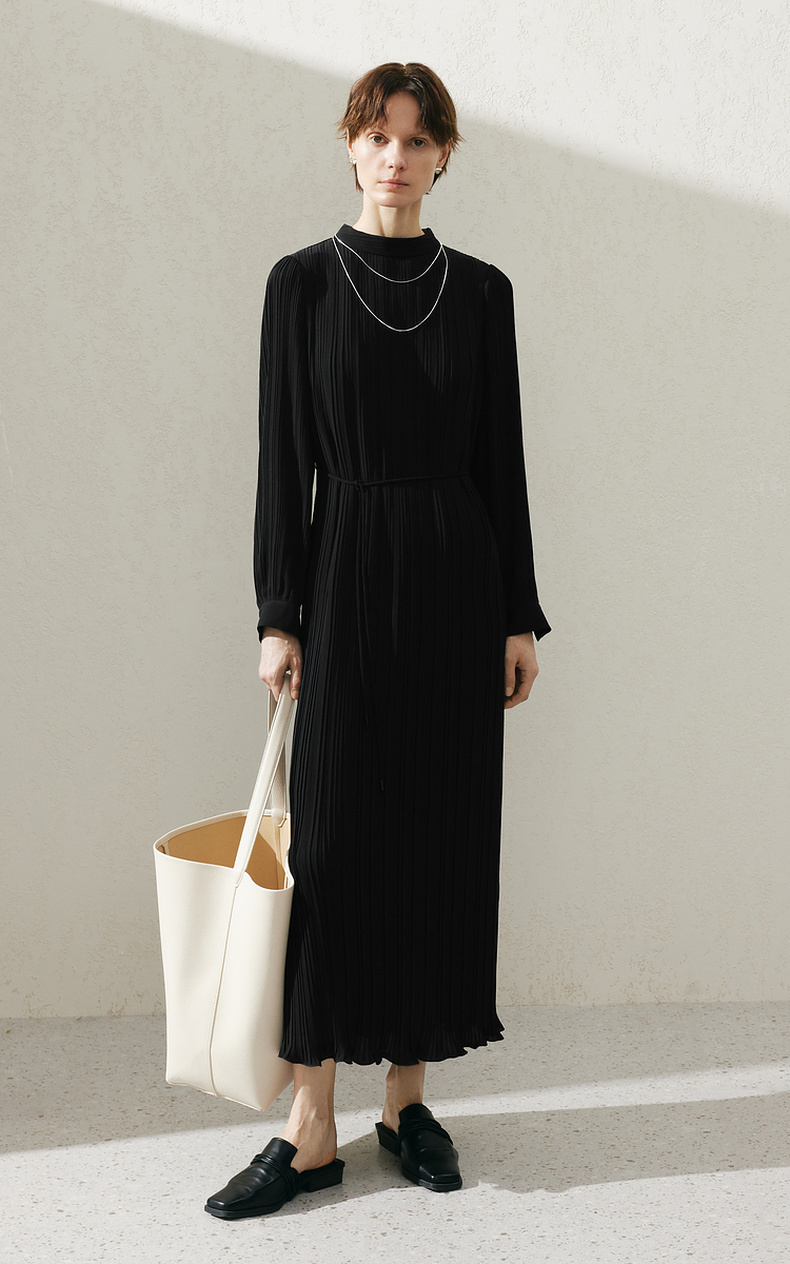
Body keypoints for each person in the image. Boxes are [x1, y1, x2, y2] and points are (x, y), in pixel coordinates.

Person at [204, 61, 551, 1220]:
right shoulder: (301, 284)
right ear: (350, 146)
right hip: (345, 572)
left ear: (443, 155)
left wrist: (515, 612)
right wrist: (278, 611)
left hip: (456, 584)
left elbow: (500, 461)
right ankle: (310, 1123)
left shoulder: (483, 292)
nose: (395, 156)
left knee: (435, 838)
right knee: (337, 845)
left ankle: (406, 1103)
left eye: (417, 138)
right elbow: (280, 462)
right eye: (377, 134)